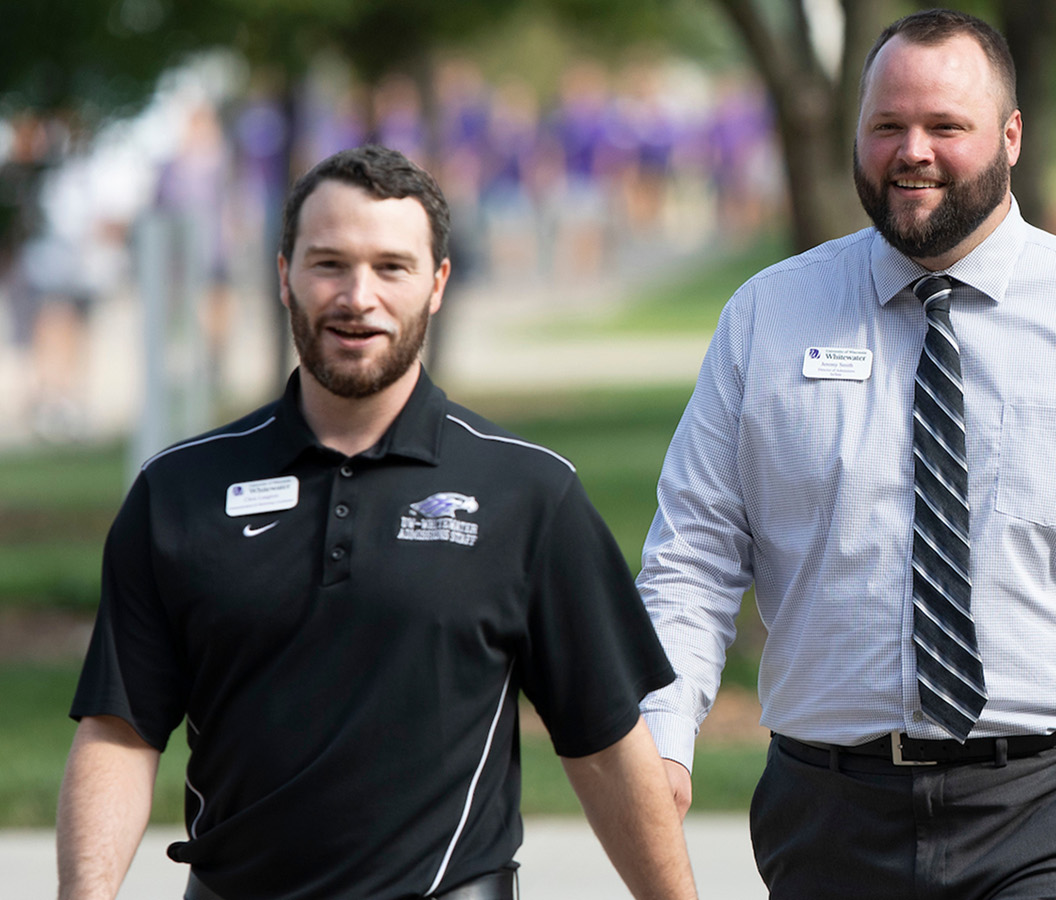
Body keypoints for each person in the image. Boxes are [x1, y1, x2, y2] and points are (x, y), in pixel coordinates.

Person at [635, 10, 1056, 900]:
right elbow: (691, 557)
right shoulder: (768, 320)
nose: (911, 151)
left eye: (944, 127)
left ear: (1010, 138)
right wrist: (661, 735)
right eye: (887, 126)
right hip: (830, 815)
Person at [55, 146, 694, 900]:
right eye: (330, 264)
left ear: (437, 285)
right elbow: (121, 732)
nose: (358, 296)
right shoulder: (178, 490)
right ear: (283, 274)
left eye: (392, 267)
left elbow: (606, 745)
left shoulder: (529, 492)